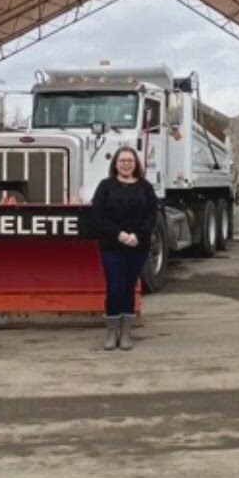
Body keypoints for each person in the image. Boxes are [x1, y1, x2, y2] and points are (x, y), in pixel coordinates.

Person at [90, 146, 158, 351]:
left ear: (136, 164)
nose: (126, 164)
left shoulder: (145, 187)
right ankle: (111, 333)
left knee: (129, 288)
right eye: (122, 161)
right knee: (114, 287)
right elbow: (98, 215)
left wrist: (138, 236)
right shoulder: (105, 186)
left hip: (138, 246)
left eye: (130, 160)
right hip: (112, 245)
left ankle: (126, 334)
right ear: (115, 164)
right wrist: (118, 234)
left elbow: (151, 215)